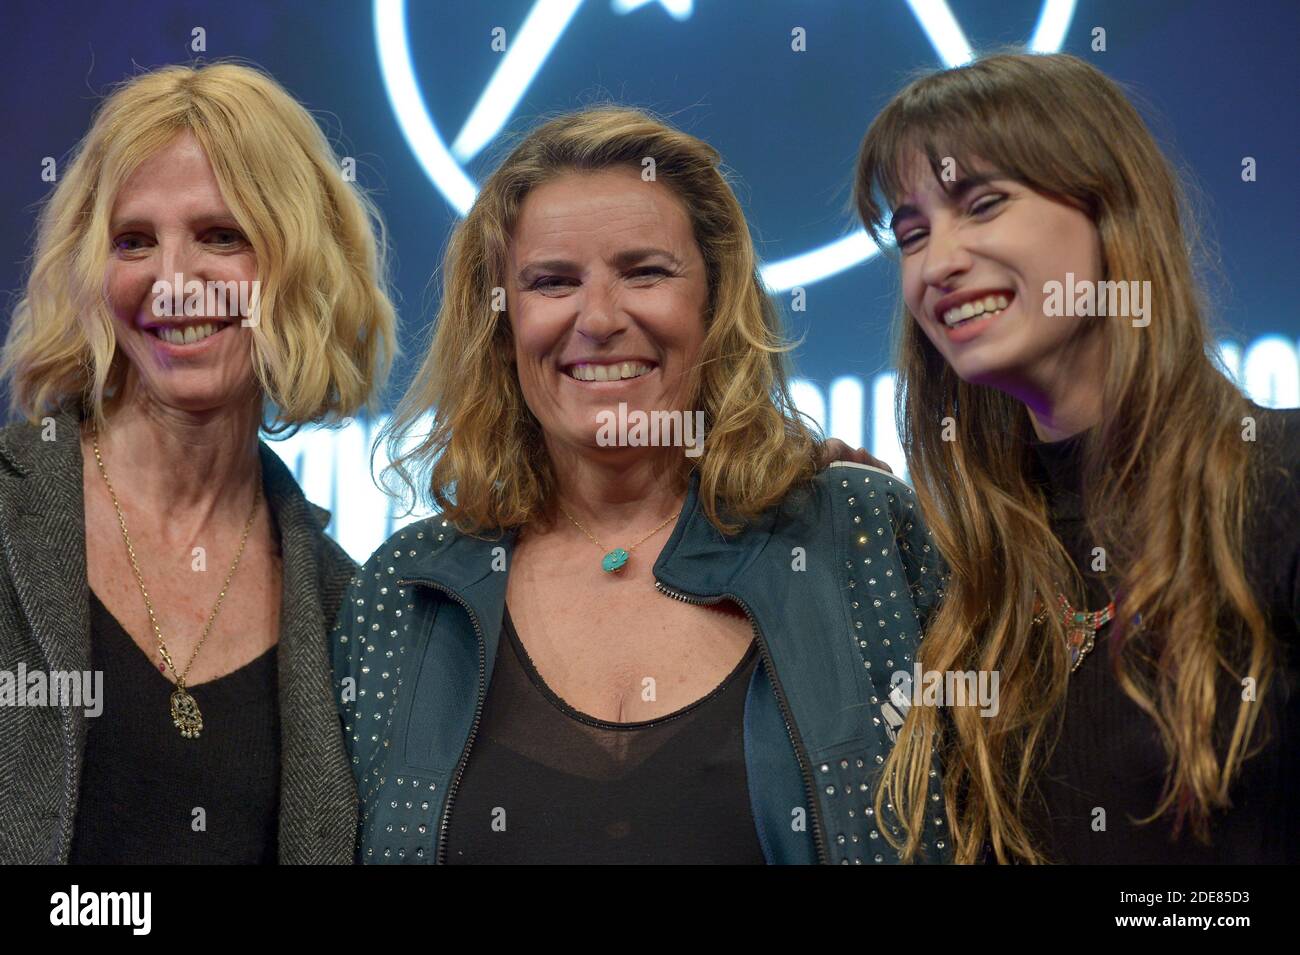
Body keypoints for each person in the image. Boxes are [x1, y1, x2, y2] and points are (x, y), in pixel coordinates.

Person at [331, 106, 947, 864]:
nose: (597, 317)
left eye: (644, 272)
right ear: (501, 321)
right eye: (552, 282)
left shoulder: (859, 536)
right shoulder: (403, 591)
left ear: (715, 303)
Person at [853, 51, 1298, 863]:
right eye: (912, 233)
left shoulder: (1282, 485)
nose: (938, 262)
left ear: (1111, 213)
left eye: (982, 204)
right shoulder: (958, 571)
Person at [0, 61, 398, 863]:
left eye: (222, 236)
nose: (175, 282)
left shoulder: (344, 605)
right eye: (134, 241)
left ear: (299, 269)